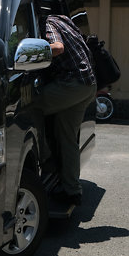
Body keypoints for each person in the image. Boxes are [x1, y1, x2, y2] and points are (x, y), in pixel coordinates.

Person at [37, 14, 96, 206]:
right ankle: (72, 190)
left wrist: (19, 55)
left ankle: (45, 165)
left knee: (23, 110)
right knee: (67, 137)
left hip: (71, 85)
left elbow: (57, 48)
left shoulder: (48, 24)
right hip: (88, 84)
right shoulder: (64, 19)